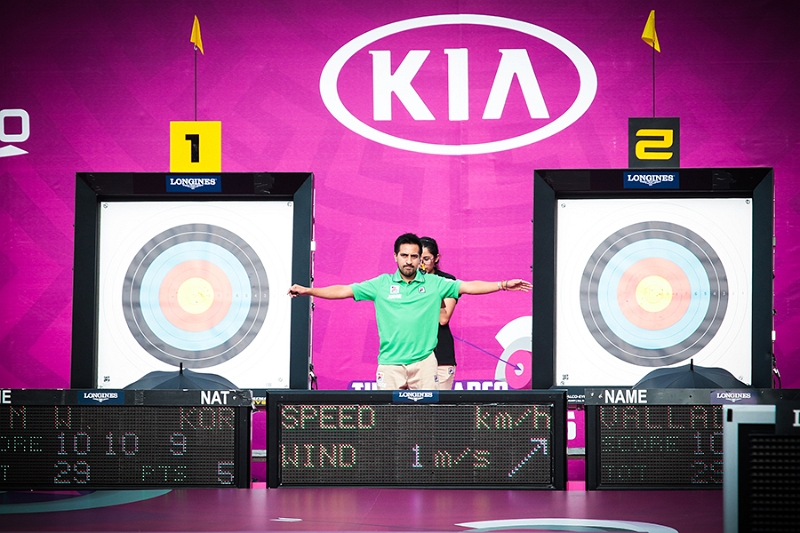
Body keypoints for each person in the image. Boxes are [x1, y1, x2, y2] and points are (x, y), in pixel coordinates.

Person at [287, 233, 531, 390]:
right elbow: (344, 290)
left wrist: (502, 284)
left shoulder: (435, 284)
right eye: (404, 255)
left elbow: (468, 286)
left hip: (425, 364)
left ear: (421, 259)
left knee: (427, 424)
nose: (409, 260)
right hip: (390, 365)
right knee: (390, 425)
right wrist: (309, 291)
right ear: (395, 257)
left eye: (415, 256)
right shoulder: (381, 284)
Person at [419, 236, 458, 390]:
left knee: (439, 403)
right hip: (412, 354)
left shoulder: (447, 281)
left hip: (440, 353)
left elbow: (443, 318)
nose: (421, 264)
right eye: (417, 258)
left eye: (426, 259)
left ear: (436, 258)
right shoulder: (405, 282)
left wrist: (429, 285)